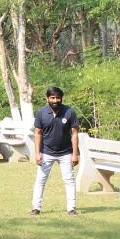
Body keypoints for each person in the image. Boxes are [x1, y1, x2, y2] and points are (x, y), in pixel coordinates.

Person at [31, 86, 80, 216]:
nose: (55, 100)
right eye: (52, 97)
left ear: (61, 98)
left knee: (69, 180)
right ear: (47, 98)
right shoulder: (41, 112)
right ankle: (36, 208)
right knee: (41, 180)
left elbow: (74, 134)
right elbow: (37, 134)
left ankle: (71, 208)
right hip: (46, 152)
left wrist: (75, 154)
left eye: (58, 98)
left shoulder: (69, 112)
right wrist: (37, 153)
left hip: (66, 153)